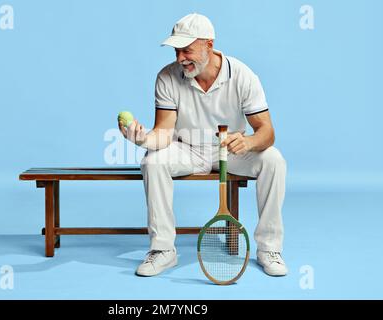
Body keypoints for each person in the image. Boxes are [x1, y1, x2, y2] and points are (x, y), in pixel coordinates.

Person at [118, 13, 288, 277]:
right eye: (177, 51)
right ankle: (163, 250)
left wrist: (249, 142)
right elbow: (163, 133)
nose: (179, 58)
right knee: (152, 160)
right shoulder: (167, 77)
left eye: (187, 50)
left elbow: (267, 132)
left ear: (209, 45)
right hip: (187, 149)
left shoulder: (243, 76)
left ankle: (269, 249)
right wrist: (141, 139)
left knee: (273, 159)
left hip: (231, 151)